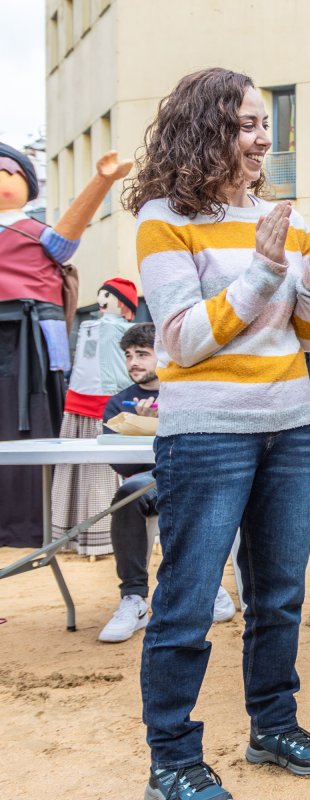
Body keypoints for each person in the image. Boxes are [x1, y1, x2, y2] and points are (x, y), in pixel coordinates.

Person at [126, 67, 310, 799]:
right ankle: (171, 758)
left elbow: (309, 335)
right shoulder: (163, 216)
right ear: (205, 130)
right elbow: (181, 339)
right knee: (189, 600)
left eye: (264, 124)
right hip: (206, 436)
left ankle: (272, 725)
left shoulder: (283, 218)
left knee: (281, 594)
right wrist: (265, 271)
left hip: (288, 427)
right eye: (246, 124)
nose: (262, 137)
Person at [0, 143, 129, 548]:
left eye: (7, 171)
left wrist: (102, 179)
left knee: (36, 426)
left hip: (32, 342)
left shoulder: (36, 233)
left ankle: (39, 522)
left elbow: (66, 238)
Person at [96, 322, 236, 643]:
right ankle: (134, 599)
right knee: (128, 493)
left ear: (162, 354)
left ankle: (206, 584)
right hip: (146, 481)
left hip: (191, 475)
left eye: (142, 354)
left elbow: (208, 445)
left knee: (190, 486)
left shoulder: (187, 393)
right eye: (129, 355)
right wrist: (141, 427)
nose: (133, 362)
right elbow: (119, 463)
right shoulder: (119, 404)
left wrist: (163, 422)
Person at [50, 277, 137, 553]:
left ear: (122, 304)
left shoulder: (123, 332)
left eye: (108, 296)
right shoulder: (91, 326)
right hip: (80, 400)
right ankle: (75, 533)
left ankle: (104, 535)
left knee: (104, 470)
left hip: (107, 403)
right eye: (101, 294)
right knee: (82, 469)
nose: (102, 300)